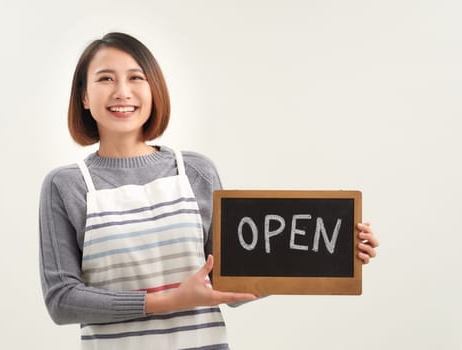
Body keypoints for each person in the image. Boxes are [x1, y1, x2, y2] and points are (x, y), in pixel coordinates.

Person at [38, 32, 380, 349]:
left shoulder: (196, 171)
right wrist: (169, 301)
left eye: (136, 77)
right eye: (105, 78)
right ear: (84, 96)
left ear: (154, 88)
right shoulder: (66, 185)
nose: (122, 91)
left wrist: (329, 254)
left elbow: (228, 282)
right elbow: (62, 300)